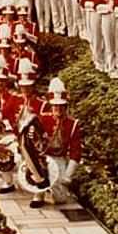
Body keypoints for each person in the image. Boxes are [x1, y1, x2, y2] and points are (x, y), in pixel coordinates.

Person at [36, 77, 82, 206]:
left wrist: (68, 174)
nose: (58, 109)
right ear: (51, 105)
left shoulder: (73, 124)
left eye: (61, 106)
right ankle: (39, 192)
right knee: (38, 179)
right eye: (55, 105)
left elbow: (76, 151)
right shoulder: (42, 119)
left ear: (66, 106)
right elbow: (33, 141)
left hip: (59, 160)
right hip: (43, 158)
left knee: (61, 199)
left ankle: (51, 188)